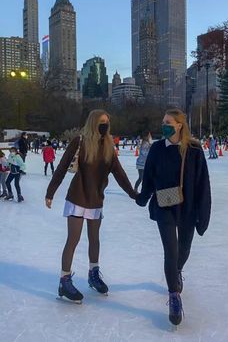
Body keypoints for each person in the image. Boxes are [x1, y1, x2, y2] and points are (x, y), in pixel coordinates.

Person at [45, 109, 137, 303]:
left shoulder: (108, 147)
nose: (104, 126)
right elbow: (62, 167)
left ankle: (93, 274)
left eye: (107, 122)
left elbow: (119, 173)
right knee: (73, 239)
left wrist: (133, 194)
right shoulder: (80, 141)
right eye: (101, 122)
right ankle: (64, 280)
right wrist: (50, 192)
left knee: (94, 239)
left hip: (96, 199)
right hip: (77, 197)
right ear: (93, 123)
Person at [136, 108, 211, 326]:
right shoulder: (157, 148)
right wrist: (142, 198)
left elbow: (203, 184)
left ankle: (177, 271)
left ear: (179, 125)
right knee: (171, 251)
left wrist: (203, 215)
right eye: (163, 122)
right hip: (164, 207)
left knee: (184, 250)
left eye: (169, 122)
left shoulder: (195, 149)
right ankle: (174, 296)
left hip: (188, 209)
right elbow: (148, 177)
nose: (164, 125)